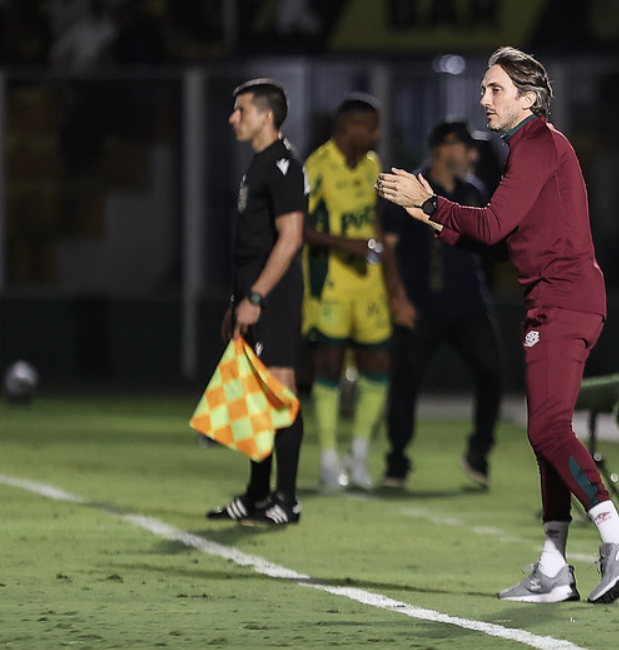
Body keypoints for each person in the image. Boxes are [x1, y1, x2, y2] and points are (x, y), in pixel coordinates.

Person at [376, 46, 619, 604]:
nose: (483, 98)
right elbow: (507, 243)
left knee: (547, 430)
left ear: (527, 99)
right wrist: (437, 219)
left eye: (494, 89)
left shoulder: (537, 144)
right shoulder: (532, 148)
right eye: (484, 88)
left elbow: (496, 224)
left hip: (564, 301)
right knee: (546, 437)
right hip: (559, 300)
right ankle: (554, 566)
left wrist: (432, 202)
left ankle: (618, 538)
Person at [379, 120, 503, 489]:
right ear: (443, 148)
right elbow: (387, 247)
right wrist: (397, 298)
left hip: (469, 305)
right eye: (465, 147)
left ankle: (479, 453)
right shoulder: (411, 188)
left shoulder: (474, 190)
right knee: (405, 383)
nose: (472, 155)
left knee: (492, 375)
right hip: (421, 307)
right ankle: (396, 463)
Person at [205, 79, 306, 527]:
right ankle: (256, 494)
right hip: (253, 292)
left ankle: (287, 499)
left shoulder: (283, 164)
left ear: (267, 116)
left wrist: (258, 296)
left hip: (275, 295)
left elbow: (290, 239)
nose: (233, 118)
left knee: (279, 392)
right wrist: (238, 300)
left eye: (240, 109)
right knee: (253, 397)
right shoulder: (260, 163)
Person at [302, 94, 395, 491]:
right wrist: (347, 245)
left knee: (377, 363)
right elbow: (298, 228)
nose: (377, 134)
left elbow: (372, 220)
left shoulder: (372, 165)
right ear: (349, 129)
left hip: (368, 283)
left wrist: (392, 280)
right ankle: (327, 459)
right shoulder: (316, 166)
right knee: (330, 366)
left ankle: (358, 455)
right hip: (331, 281)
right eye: (370, 126)